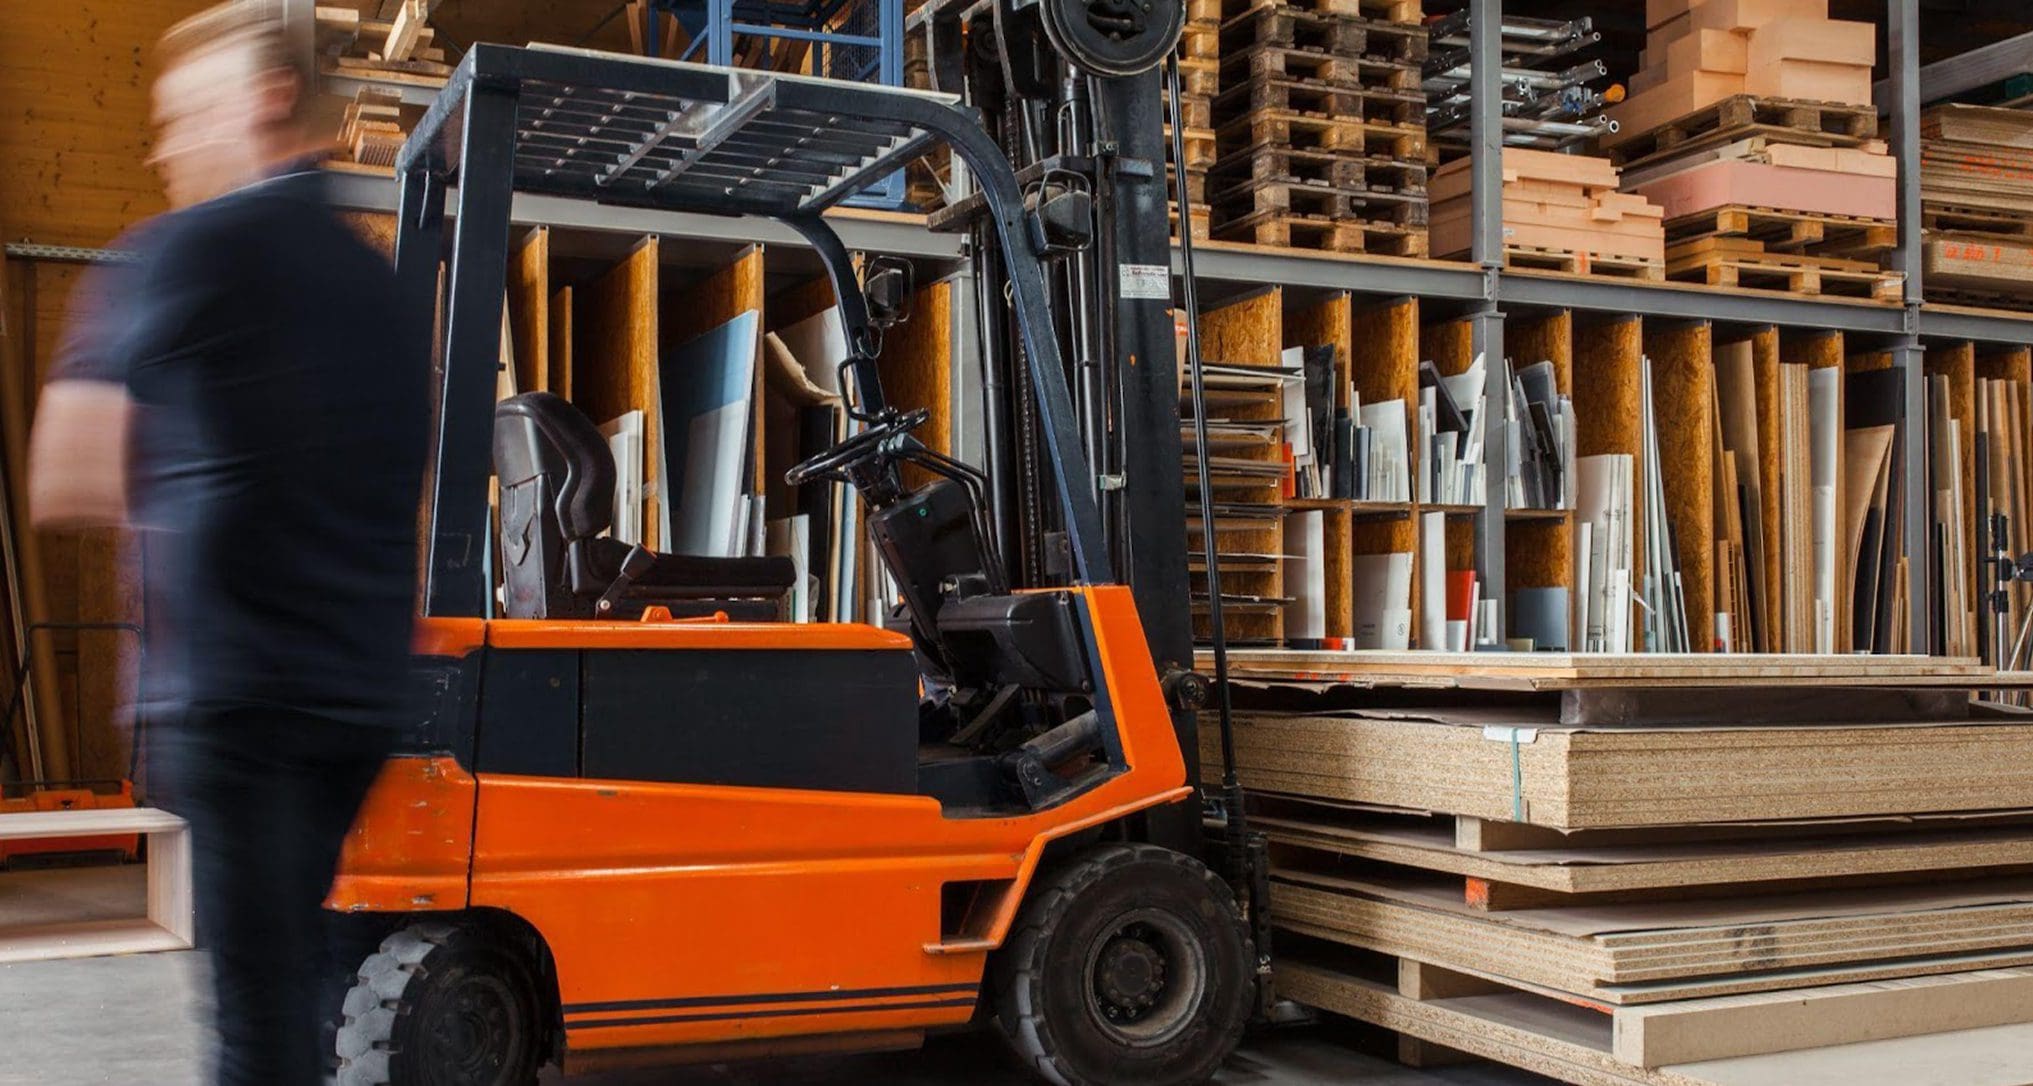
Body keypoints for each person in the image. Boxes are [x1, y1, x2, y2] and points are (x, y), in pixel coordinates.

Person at [26, 3, 429, 1083]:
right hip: (355, 701)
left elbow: (66, 471)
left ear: (264, 98)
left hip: (238, 697)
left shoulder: (188, 250)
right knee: (293, 984)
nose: (162, 149)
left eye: (179, 118)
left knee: (254, 1022)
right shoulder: (385, 294)